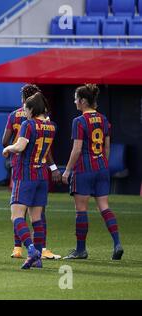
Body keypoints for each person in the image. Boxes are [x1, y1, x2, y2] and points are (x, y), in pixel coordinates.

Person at [62, 84, 123, 260]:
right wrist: (104, 164)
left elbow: (77, 149)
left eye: (75, 98)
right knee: (104, 206)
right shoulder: (104, 119)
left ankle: (81, 250)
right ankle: (117, 243)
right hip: (102, 168)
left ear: (82, 101)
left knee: (81, 210)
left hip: (84, 170)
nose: (74, 102)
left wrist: (67, 171)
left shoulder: (79, 121)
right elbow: (107, 146)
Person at [2, 84, 61, 260]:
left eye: (26, 109)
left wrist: (8, 149)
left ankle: (29, 249)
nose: (24, 112)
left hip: (25, 173)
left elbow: (18, 145)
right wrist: (53, 168)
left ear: (31, 107)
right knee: (37, 217)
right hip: (42, 174)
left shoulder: (27, 123)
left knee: (17, 215)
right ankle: (39, 253)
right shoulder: (51, 126)